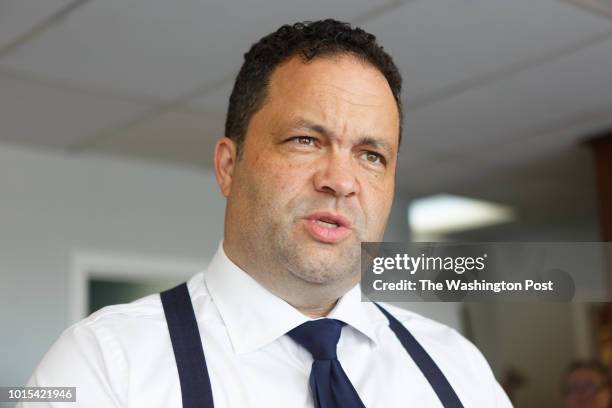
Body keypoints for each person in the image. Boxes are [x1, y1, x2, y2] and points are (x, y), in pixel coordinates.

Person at [20, 19, 512, 407]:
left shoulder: (455, 367)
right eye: (305, 140)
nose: (341, 181)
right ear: (229, 166)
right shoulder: (106, 366)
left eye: (371, 155)